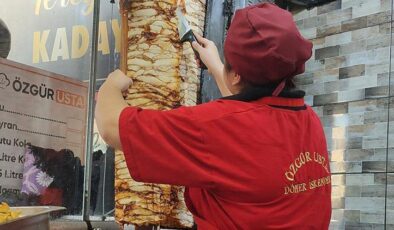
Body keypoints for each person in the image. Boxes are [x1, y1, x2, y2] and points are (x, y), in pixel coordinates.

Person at [96, 3, 331, 229]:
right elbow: (252, 116)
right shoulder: (308, 120)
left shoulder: (216, 129)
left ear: (236, 75)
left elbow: (110, 126)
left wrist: (111, 85)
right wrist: (217, 65)